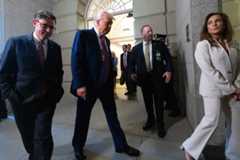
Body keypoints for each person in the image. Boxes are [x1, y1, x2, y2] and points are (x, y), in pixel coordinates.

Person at [70, 11, 140, 160]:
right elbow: (76, 60)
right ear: (97, 22)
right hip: (87, 87)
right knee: (82, 119)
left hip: (105, 87)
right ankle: (78, 147)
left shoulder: (106, 40)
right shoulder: (83, 35)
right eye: (107, 23)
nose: (109, 26)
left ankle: (121, 145)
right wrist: (79, 84)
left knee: (113, 117)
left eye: (111, 24)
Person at [0, 10, 64, 160]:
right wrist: (10, 96)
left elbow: (58, 72)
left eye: (51, 28)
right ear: (34, 23)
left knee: (43, 135)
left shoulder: (55, 48)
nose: (48, 31)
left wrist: (57, 92)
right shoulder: (16, 43)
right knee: (29, 138)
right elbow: (2, 74)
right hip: (22, 102)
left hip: (47, 101)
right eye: (44, 26)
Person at [181, 12, 240, 160]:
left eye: (217, 21)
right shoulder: (203, 45)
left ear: (224, 23)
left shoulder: (233, 45)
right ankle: (190, 148)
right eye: (210, 22)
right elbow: (209, 71)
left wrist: (236, 85)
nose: (213, 24)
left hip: (233, 89)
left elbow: (238, 68)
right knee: (211, 121)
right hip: (212, 89)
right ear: (206, 28)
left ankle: (233, 154)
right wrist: (232, 88)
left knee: (236, 123)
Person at [129, 24, 173, 138]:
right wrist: (132, 73)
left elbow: (168, 59)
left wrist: (168, 71)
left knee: (159, 102)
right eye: (148, 31)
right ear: (142, 34)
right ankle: (150, 120)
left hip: (158, 78)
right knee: (148, 102)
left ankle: (160, 125)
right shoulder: (136, 49)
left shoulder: (159, 45)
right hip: (144, 80)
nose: (150, 33)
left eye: (151, 31)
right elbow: (131, 63)